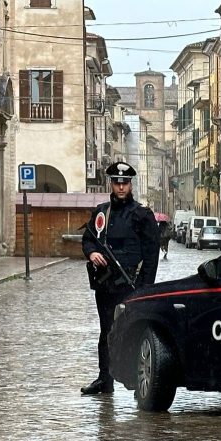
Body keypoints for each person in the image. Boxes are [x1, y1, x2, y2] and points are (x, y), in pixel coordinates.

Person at [80, 161, 160, 395]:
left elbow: (151, 255)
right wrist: (92, 253)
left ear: (131, 185)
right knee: (106, 332)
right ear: (111, 184)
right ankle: (105, 379)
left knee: (133, 332)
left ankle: (137, 381)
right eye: (117, 183)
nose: (121, 187)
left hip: (131, 285)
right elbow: (88, 239)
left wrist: (145, 287)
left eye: (125, 183)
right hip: (106, 285)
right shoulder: (102, 212)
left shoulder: (142, 215)